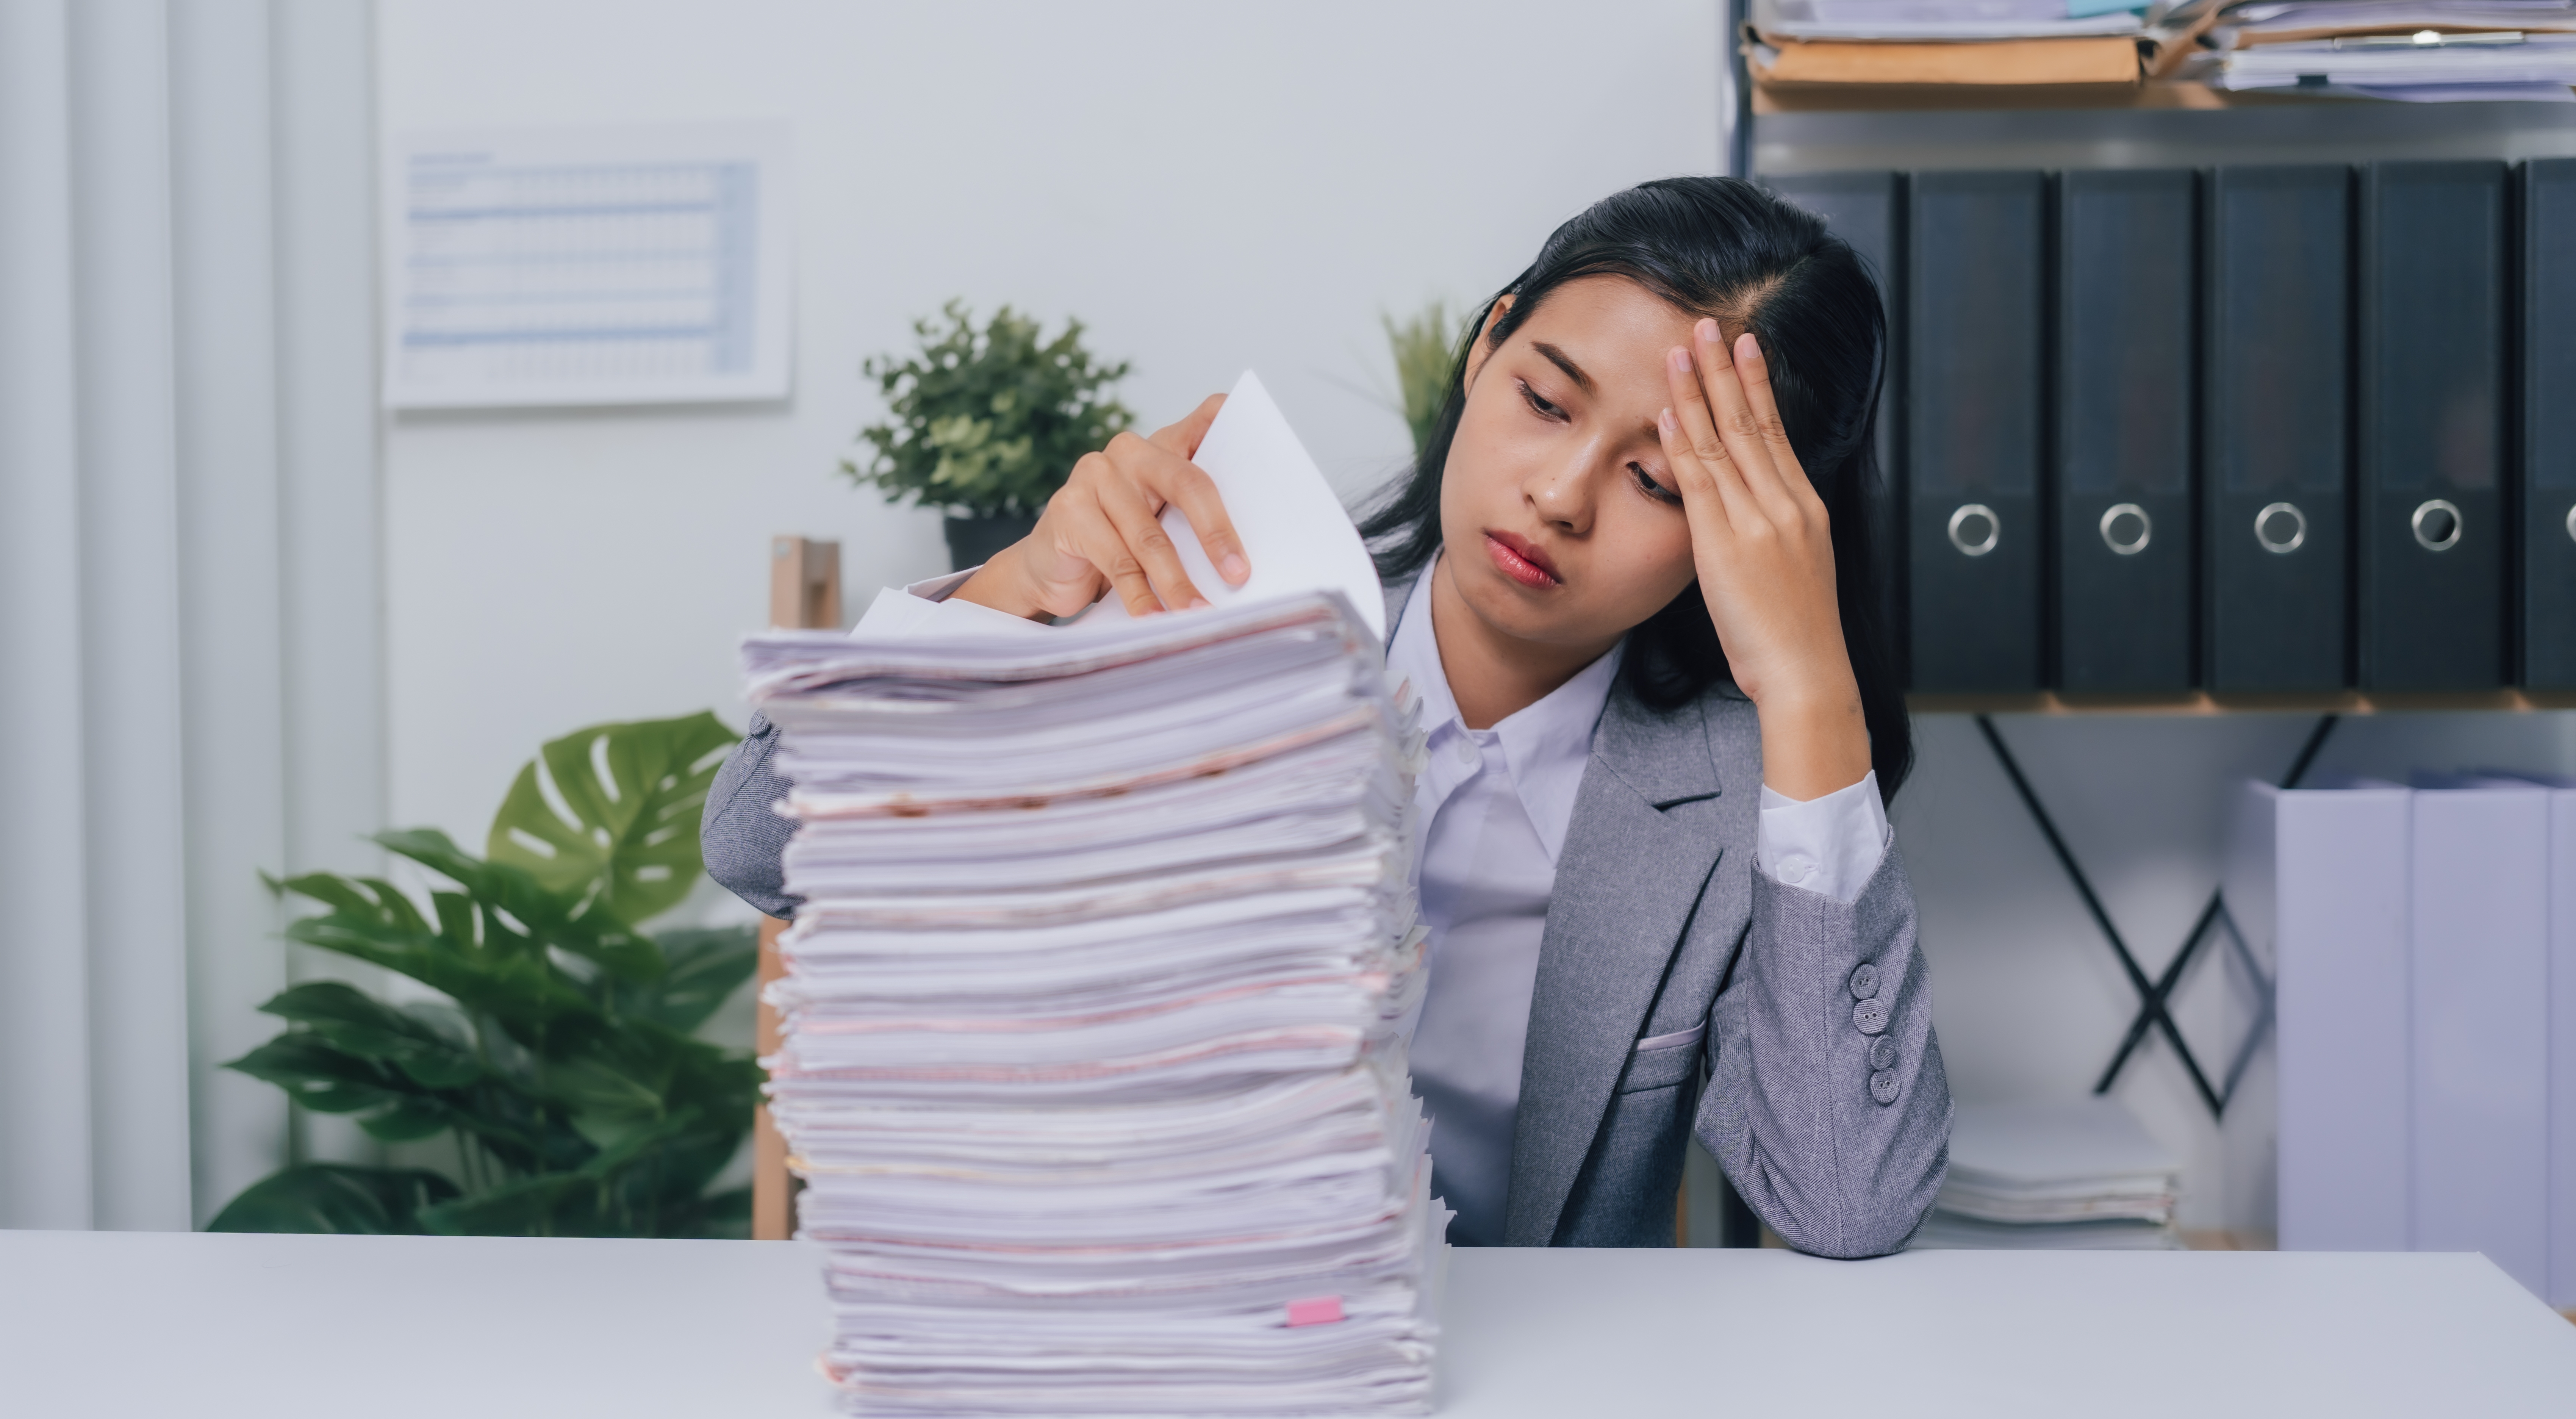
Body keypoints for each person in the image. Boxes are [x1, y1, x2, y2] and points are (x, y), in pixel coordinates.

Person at [706, 175, 1948, 1255]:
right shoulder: (1216, 594)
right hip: (1134, 1344)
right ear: (1486, 349)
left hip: (1525, 1399)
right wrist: (1008, 595)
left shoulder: (1745, 793)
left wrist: (1808, 686)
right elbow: (763, 849)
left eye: (1656, 482)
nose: (1560, 496)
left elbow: (1844, 1203)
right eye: (1546, 403)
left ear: (1754, 532)